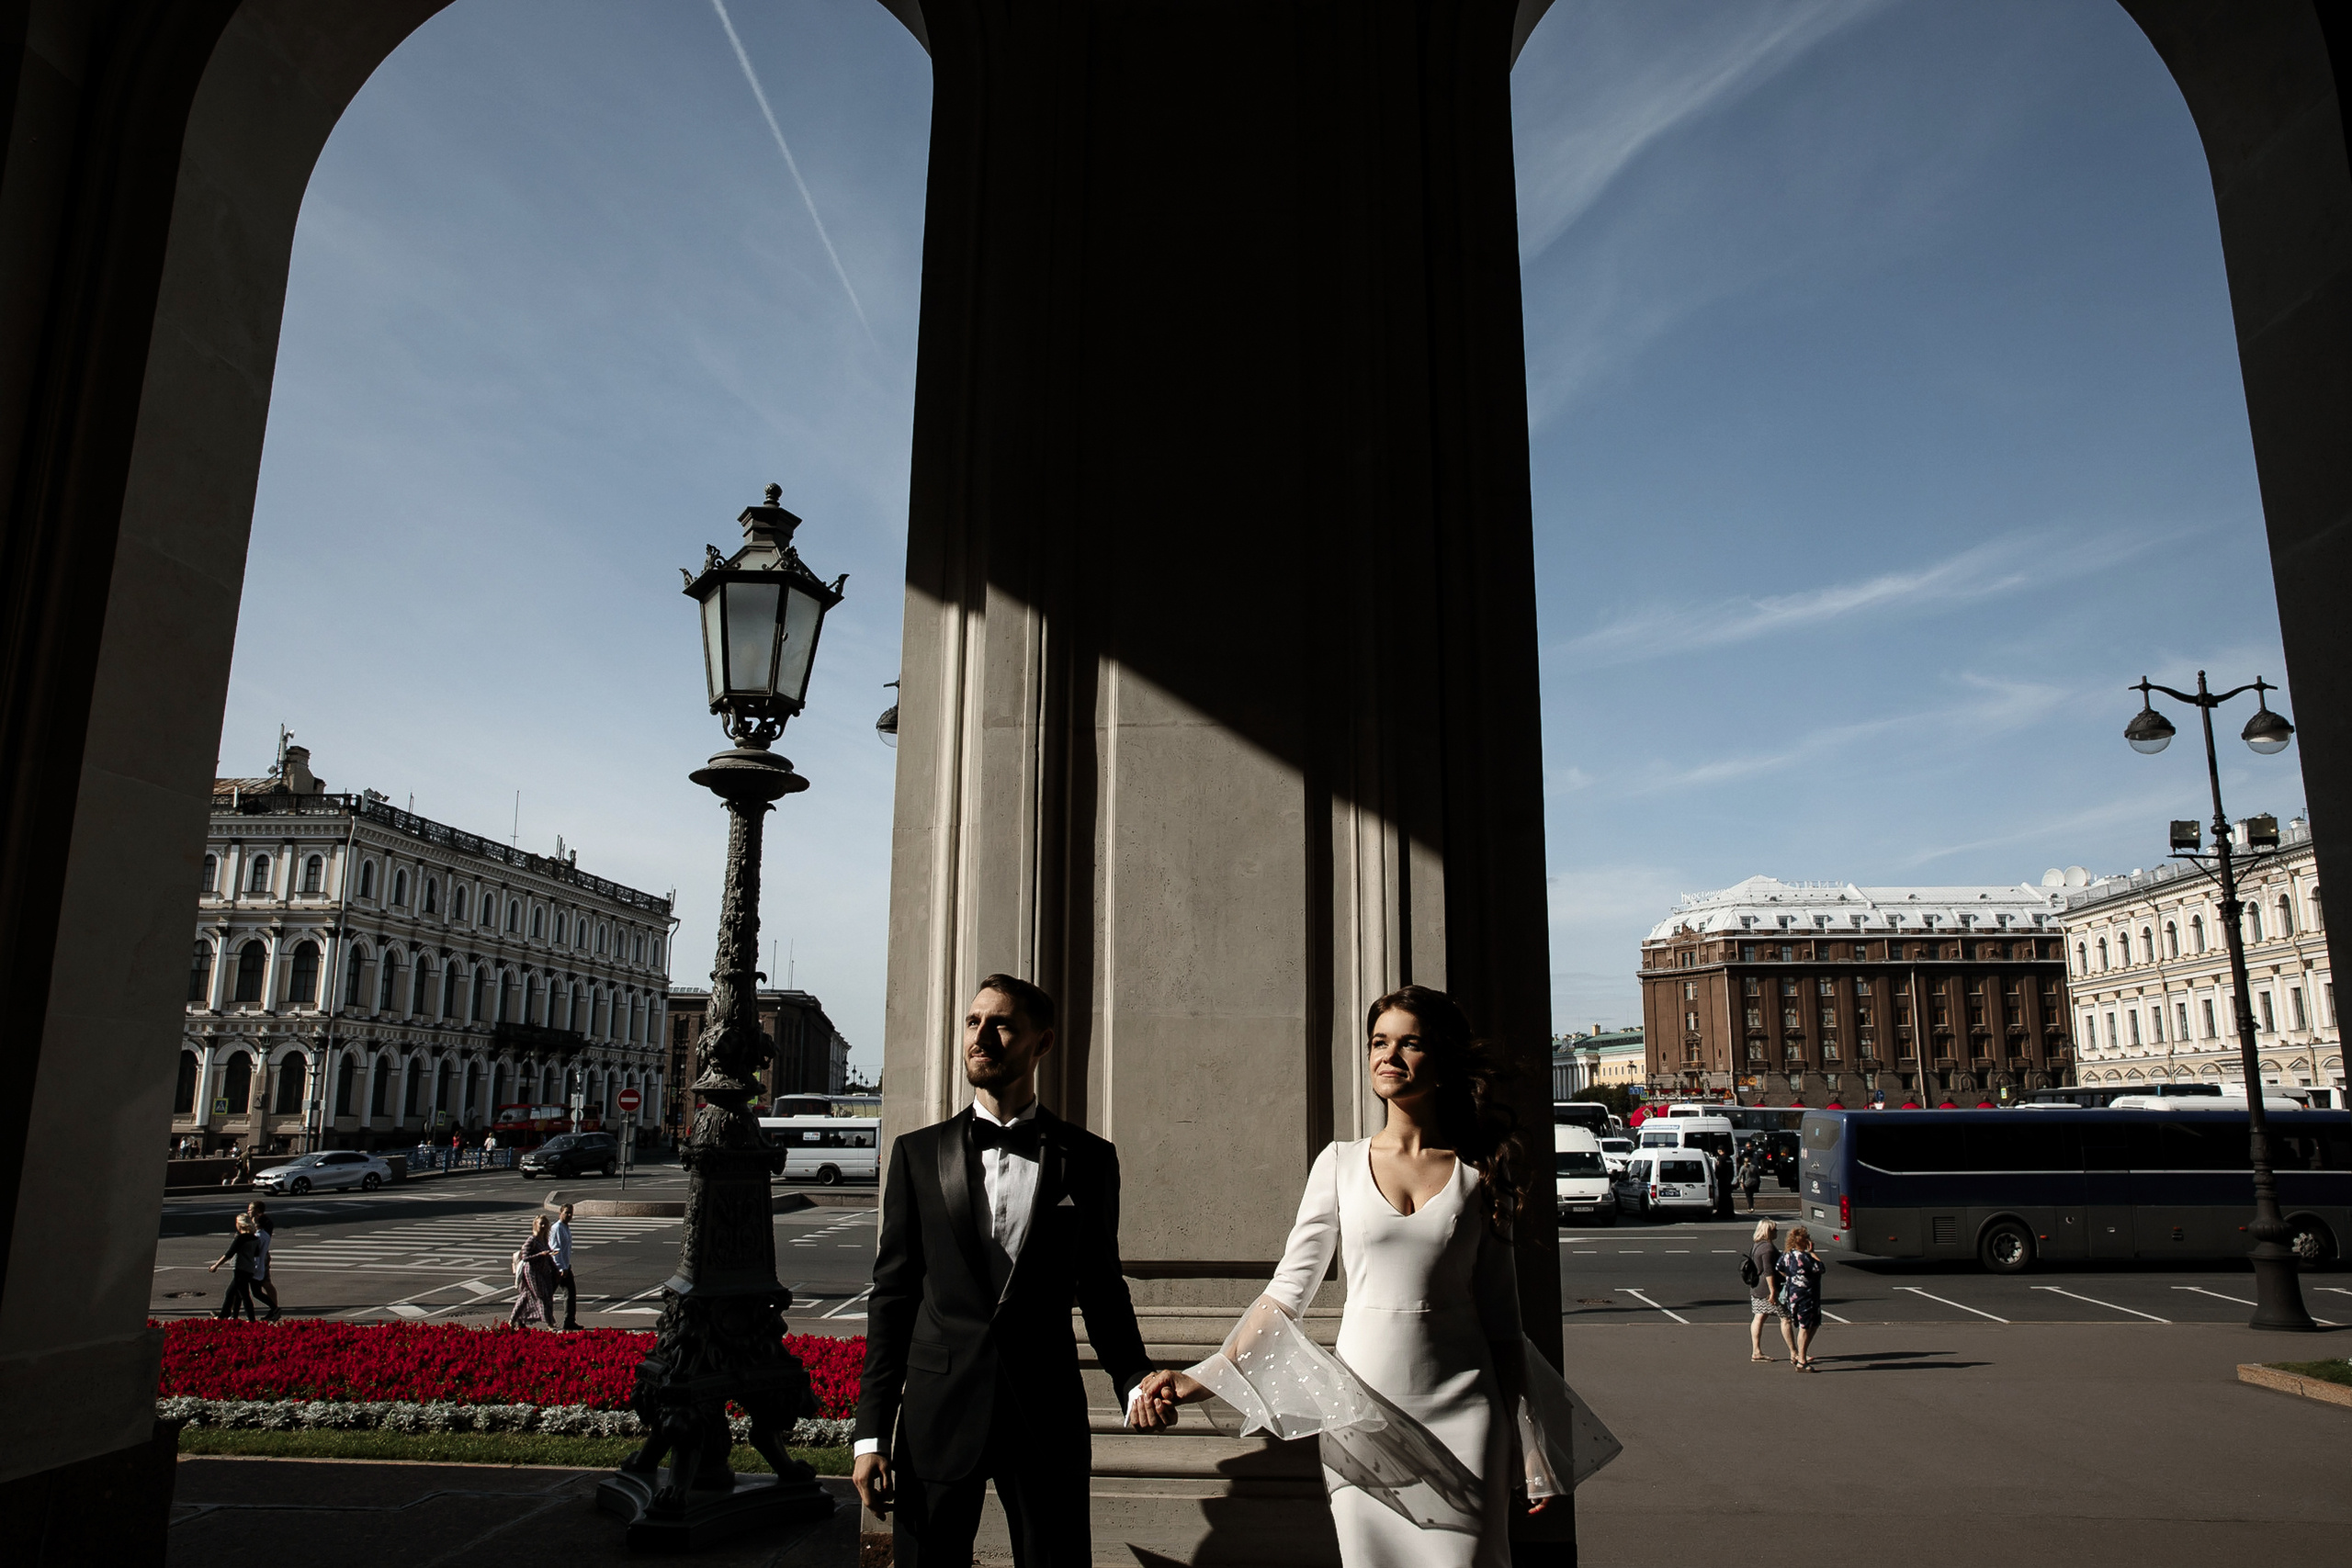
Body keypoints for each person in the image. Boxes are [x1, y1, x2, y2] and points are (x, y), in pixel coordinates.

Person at [1158, 985, 1575, 1568]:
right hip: (1361, 1417)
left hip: (1466, 1415)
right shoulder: (1338, 1164)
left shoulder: (1480, 1172)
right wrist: (1202, 1379)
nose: (1388, 1056)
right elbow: (1284, 1298)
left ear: (1444, 1059)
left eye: (1410, 1044)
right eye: (1379, 1042)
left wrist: (1535, 1450)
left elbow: (1505, 1324)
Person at [852, 976, 1169, 1567]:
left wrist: (1132, 1380)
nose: (982, 1036)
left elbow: (1101, 1286)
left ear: (1041, 1043)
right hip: (936, 1416)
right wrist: (871, 1433)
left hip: (1044, 1412)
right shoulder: (916, 1154)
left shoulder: (1090, 1159)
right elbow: (892, 1297)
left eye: (1001, 1024)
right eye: (973, 1022)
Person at [1776, 1224, 1826, 1371]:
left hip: (1794, 1295)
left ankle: (1801, 1355)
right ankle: (1801, 1360)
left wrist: (1792, 1278)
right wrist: (1813, 1252)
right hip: (1807, 1296)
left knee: (1812, 1324)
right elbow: (1821, 1268)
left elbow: (1779, 1268)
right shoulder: (1805, 1258)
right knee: (1806, 1327)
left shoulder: (1787, 1255)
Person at [1747, 1219, 1792, 1363]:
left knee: (1759, 1317)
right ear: (1768, 1231)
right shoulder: (1768, 1249)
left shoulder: (1757, 1246)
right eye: (1774, 1229)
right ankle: (1795, 1353)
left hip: (1756, 1287)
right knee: (1785, 1319)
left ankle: (1756, 1351)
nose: (1777, 1231)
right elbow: (1768, 1271)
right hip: (1768, 1289)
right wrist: (1773, 1291)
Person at [509, 1214, 558, 1328]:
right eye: (541, 1224)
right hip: (532, 1273)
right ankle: (550, 1324)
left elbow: (549, 1257)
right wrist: (540, 1255)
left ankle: (514, 1321)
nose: (543, 1226)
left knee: (525, 1297)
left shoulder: (544, 1240)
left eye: (545, 1224)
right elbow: (525, 1257)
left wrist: (555, 1269)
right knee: (542, 1296)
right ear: (536, 1225)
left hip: (544, 1272)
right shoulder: (532, 1240)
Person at [209, 1215, 261, 1320]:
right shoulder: (255, 1238)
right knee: (234, 1292)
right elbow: (256, 1254)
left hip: (240, 1268)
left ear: (240, 1225)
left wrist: (216, 1265)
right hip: (249, 1269)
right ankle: (229, 1315)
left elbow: (229, 1254)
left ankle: (251, 1320)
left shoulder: (241, 1238)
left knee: (243, 1294)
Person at [244, 1200, 281, 1322]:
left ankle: (274, 1309)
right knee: (261, 1284)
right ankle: (274, 1309)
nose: (248, 1211)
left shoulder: (263, 1223)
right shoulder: (257, 1221)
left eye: (250, 1209)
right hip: (260, 1256)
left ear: (258, 1211)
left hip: (260, 1257)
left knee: (264, 1284)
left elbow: (257, 1241)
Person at [550, 1202, 578, 1330]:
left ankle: (569, 1321)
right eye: (566, 1212)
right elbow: (555, 1249)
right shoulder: (557, 1228)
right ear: (560, 1213)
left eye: (571, 1213)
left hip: (565, 1267)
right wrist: (561, 1268)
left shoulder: (566, 1227)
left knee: (570, 1294)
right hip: (557, 1269)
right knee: (546, 1295)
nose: (569, 1215)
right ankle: (523, 1318)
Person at [1738, 1146, 1762, 1212]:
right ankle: (1751, 1206)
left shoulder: (1743, 1167)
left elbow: (1740, 1175)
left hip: (1747, 1183)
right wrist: (1758, 1182)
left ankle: (1750, 1207)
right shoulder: (1754, 1167)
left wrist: (1741, 1183)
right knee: (1751, 1195)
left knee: (1748, 1196)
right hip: (1754, 1182)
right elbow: (1758, 1175)